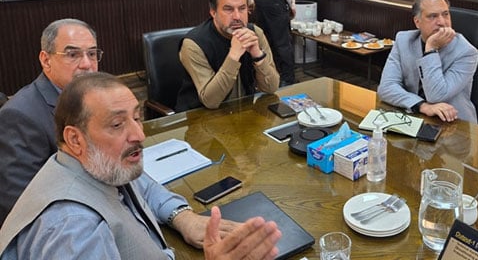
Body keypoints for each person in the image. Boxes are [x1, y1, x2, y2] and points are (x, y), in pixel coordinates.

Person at [0, 72, 281, 259]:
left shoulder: (94, 162)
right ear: (74, 138)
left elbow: (141, 183)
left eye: (137, 118)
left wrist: (183, 217)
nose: (139, 134)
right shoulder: (73, 230)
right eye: (117, 124)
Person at [0, 18, 100, 226]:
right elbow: (22, 204)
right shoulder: (19, 116)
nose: (87, 64)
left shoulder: (93, 97)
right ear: (46, 60)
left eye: (92, 53)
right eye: (73, 55)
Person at [176, 0, 279, 111]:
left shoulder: (255, 33)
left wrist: (257, 55)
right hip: (200, 116)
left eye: (242, 8)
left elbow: (271, 88)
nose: (237, 16)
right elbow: (210, 101)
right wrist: (233, 56)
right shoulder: (193, 44)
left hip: (243, 111)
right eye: (228, 9)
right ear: (213, 12)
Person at [377, 0, 478, 123]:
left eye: (445, 14)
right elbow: (386, 88)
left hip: (453, 123)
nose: (442, 22)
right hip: (413, 115)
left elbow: (437, 96)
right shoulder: (403, 40)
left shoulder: (466, 52)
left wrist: (430, 50)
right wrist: (422, 106)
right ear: (417, 22)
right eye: (433, 16)